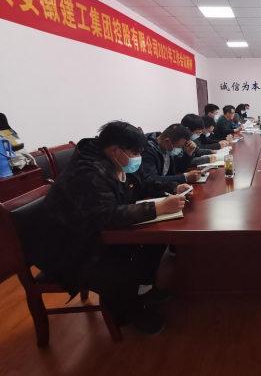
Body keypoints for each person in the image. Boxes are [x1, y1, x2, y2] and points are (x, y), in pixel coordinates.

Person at [35, 121, 191, 335]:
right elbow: (105, 215)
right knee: (121, 266)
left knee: (155, 241)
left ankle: (143, 291)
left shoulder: (120, 162)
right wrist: (158, 208)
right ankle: (127, 313)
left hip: (100, 235)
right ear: (115, 150)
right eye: (135, 153)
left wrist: (174, 187)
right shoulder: (86, 172)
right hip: (74, 248)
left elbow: (145, 182)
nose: (138, 158)